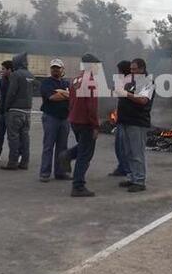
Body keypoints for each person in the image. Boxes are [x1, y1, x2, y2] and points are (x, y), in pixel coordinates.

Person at [59, 53, 102, 197]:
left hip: (75, 121)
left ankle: (67, 154)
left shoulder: (75, 79)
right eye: (96, 65)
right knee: (85, 155)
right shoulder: (90, 81)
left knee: (83, 147)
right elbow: (91, 107)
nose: (98, 68)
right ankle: (78, 186)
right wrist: (95, 126)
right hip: (86, 123)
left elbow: (71, 101)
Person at [116, 58, 155, 193]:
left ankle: (139, 181)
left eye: (134, 69)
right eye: (131, 69)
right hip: (125, 121)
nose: (131, 71)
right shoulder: (130, 81)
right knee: (128, 152)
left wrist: (126, 94)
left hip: (138, 122)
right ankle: (132, 177)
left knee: (137, 153)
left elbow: (143, 100)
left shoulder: (147, 82)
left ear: (142, 69)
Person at [38, 58, 71, 182]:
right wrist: (65, 95)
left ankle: (60, 172)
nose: (55, 70)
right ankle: (45, 173)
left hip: (64, 118)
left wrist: (62, 93)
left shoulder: (66, 83)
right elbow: (52, 97)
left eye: (57, 68)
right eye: (53, 68)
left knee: (63, 147)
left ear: (62, 69)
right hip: (51, 117)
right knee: (48, 145)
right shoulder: (46, 83)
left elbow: (72, 96)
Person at [2, 53, 34, 170]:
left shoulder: (16, 75)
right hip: (27, 111)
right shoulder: (30, 75)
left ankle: (13, 162)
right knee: (25, 138)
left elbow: (11, 93)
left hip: (15, 110)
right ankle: (24, 162)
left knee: (13, 138)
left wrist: (6, 107)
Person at [109, 60, 132, 177]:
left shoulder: (131, 83)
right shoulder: (123, 81)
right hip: (121, 118)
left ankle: (127, 170)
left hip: (128, 119)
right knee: (119, 146)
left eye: (119, 71)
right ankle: (122, 167)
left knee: (124, 147)